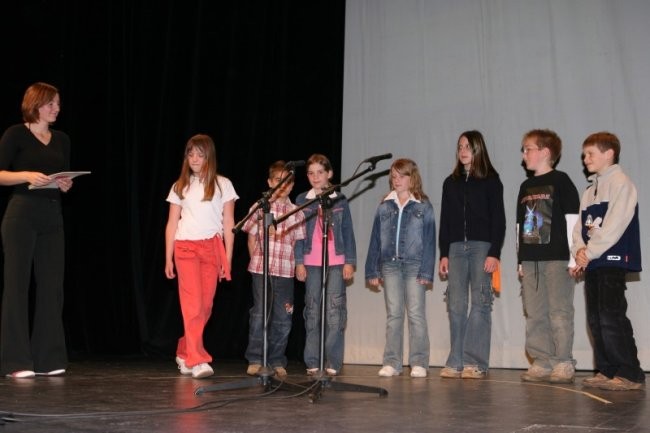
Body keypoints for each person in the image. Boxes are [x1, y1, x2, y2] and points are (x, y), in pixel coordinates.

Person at [0, 82, 73, 379]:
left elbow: (60, 175)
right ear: (36, 104)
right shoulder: (15, 134)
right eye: (51, 104)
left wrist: (64, 183)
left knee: (51, 287)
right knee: (17, 286)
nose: (56, 108)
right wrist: (25, 175)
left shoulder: (62, 139)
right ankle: (15, 361)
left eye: (58, 103)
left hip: (52, 216)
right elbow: (1, 173)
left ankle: (48, 358)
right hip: (21, 214)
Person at [570, 132, 645, 391]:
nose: (585, 158)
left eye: (590, 153)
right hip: (593, 260)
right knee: (595, 317)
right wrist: (579, 250)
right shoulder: (590, 190)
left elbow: (614, 225)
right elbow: (579, 227)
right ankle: (607, 368)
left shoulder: (621, 183)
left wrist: (588, 252)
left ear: (608, 153)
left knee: (611, 315)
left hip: (612, 259)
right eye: (584, 154)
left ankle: (629, 373)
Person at [164, 134, 238, 379]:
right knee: (193, 306)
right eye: (190, 153)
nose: (194, 158)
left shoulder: (222, 184)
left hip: (212, 248)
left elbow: (228, 222)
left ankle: (184, 350)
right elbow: (172, 223)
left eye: (200, 154)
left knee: (205, 308)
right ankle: (198, 360)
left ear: (209, 157)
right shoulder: (179, 186)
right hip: (185, 248)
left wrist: (227, 257)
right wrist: (168, 257)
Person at [438, 130, 506, 379]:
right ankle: (455, 359)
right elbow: (445, 221)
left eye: (468, 146)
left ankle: (475, 362)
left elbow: (499, 220)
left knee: (480, 304)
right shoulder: (450, 182)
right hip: (455, 248)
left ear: (478, 149)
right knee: (455, 305)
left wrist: (494, 252)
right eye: (460, 146)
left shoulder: (491, 180)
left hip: (482, 247)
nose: (463, 151)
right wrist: (443, 253)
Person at [516, 129, 580, 384]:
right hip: (531, 258)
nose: (524, 155)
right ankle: (541, 360)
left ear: (545, 152)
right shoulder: (525, 186)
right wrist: (520, 259)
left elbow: (574, 220)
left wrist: (575, 256)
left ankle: (563, 361)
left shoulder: (561, 181)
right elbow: (520, 226)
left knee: (559, 310)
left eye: (527, 149)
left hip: (557, 257)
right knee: (534, 311)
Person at [366, 158, 436, 378]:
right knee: (394, 315)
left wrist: (426, 271)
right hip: (390, 265)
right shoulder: (384, 205)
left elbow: (430, 240)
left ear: (412, 177)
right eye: (393, 177)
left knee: (416, 314)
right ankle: (392, 362)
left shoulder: (423, 206)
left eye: (401, 176)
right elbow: (375, 239)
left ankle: (419, 361)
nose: (396, 180)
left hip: (415, 265)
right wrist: (372, 270)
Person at [242, 161, 306, 377]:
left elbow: (299, 244)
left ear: (292, 184)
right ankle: (256, 358)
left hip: (285, 272)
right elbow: (251, 238)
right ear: (270, 182)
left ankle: (277, 359)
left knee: (283, 317)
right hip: (262, 270)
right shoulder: (259, 207)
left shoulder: (296, 212)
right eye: (277, 181)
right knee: (260, 314)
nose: (282, 185)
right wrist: (256, 263)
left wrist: (299, 265)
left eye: (287, 181)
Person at [295, 154, 356, 376]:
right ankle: (312, 360)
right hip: (311, 262)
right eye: (311, 173)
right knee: (312, 311)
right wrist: (299, 261)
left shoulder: (339, 198)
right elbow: (298, 234)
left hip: (336, 261)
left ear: (329, 174)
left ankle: (333, 361)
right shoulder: (303, 199)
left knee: (334, 311)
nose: (315, 177)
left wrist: (349, 261)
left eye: (320, 172)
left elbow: (348, 232)